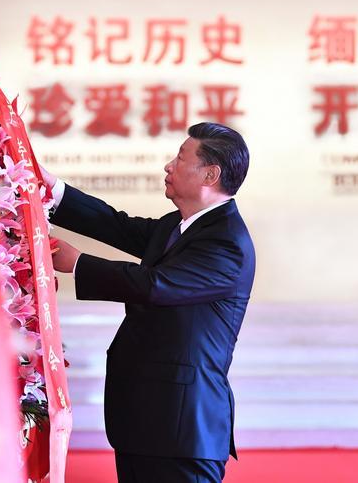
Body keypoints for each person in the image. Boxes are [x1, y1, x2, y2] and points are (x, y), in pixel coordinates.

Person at [43, 122, 255, 483]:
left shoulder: (227, 243)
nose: (168, 166)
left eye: (181, 158)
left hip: (182, 430)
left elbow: (156, 286)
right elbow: (116, 226)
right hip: (146, 420)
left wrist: (78, 264)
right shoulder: (179, 226)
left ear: (210, 174)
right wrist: (51, 189)